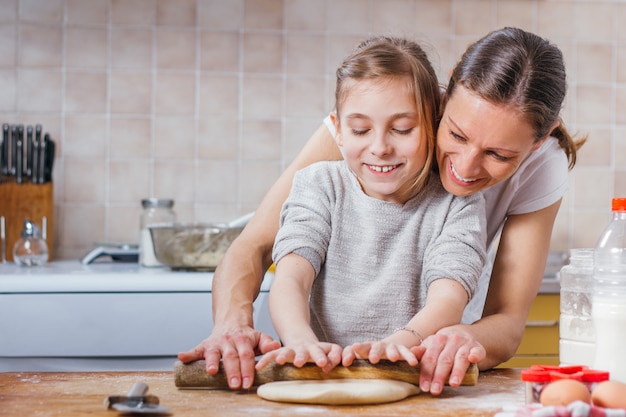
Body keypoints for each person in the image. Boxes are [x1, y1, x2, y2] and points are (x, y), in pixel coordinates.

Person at [178, 27, 586, 395]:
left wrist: (455, 338)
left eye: (498, 154)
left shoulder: (501, 186)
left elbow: (506, 317)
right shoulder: (376, 123)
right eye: (455, 134)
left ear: (537, 142)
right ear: (440, 104)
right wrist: (234, 324)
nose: (464, 167)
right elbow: (257, 244)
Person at [253, 36, 486, 374]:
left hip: (411, 377)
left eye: (402, 129)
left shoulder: (456, 204)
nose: (380, 147)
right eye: (361, 130)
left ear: (433, 124)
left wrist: (404, 341)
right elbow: (291, 278)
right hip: (323, 375)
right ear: (338, 131)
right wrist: (300, 340)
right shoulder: (319, 186)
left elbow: (448, 296)